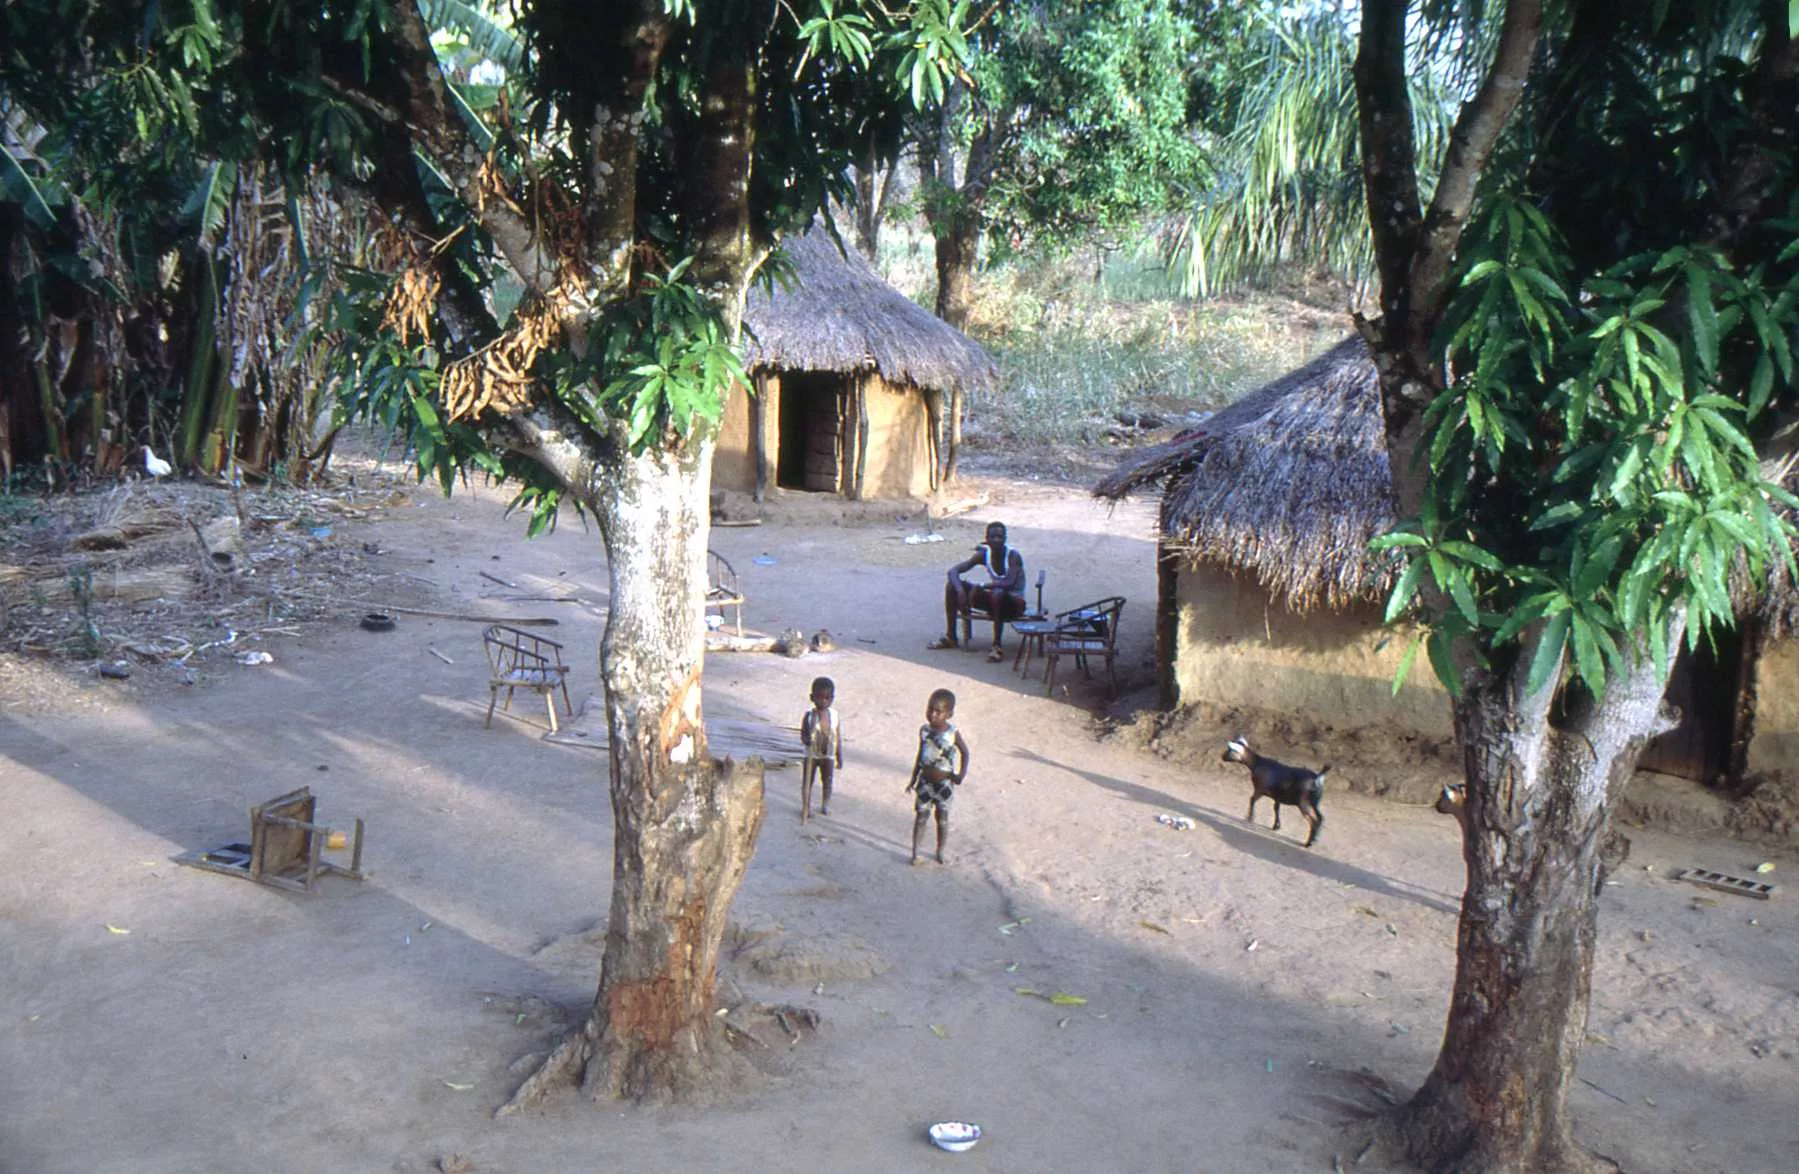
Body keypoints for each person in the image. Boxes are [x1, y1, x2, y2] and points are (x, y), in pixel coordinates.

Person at [929, 520, 1026, 662]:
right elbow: (953, 571)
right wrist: (960, 592)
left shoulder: (1013, 556)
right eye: (993, 537)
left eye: (1000, 537)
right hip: (995, 600)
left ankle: (997, 646)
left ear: (1005, 539)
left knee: (998, 593)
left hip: (1014, 604)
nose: (996, 540)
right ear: (987, 539)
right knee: (952, 586)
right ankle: (951, 637)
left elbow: (1008, 583)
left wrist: (981, 586)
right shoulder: (984, 554)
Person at [904, 687, 970, 865]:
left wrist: (960, 775)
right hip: (925, 783)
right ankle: (915, 852)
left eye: (938, 712)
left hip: (944, 784)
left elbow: (965, 752)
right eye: (930, 709)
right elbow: (920, 754)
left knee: (942, 819)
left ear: (949, 714)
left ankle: (940, 851)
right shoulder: (924, 731)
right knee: (921, 817)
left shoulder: (952, 733)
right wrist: (913, 779)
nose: (932, 714)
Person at [798, 676, 843, 823]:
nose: (823, 701)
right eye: (820, 698)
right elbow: (803, 735)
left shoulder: (834, 716)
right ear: (812, 697)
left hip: (828, 755)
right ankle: (806, 807)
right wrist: (808, 740)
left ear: (832, 699)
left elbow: (837, 736)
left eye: (827, 698)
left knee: (827, 781)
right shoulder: (809, 716)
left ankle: (825, 804)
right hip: (811, 755)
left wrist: (839, 755)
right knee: (807, 782)